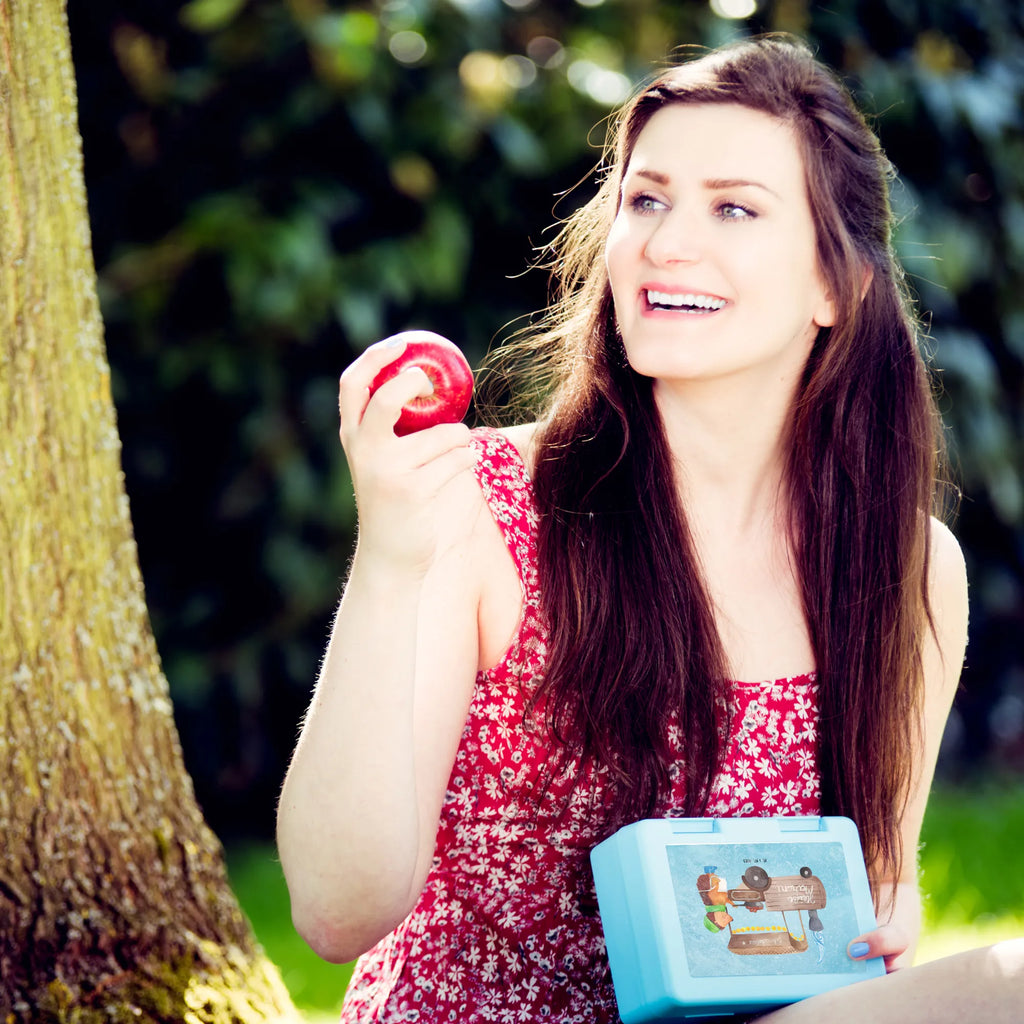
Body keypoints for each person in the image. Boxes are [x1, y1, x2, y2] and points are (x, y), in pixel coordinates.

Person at [276, 34, 1023, 1023]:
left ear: (833, 286)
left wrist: (886, 908)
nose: (667, 241)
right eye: (645, 198)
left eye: (732, 207)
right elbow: (335, 913)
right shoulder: (482, 508)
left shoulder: (909, 569)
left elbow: (871, 901)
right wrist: (393, 556)